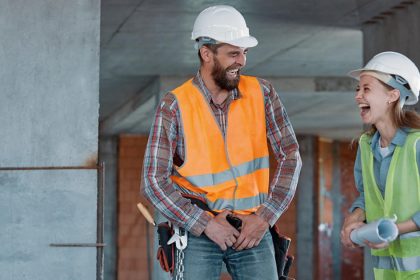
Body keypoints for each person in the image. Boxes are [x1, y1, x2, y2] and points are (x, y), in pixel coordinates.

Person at [141, 5, 301, 280]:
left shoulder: (263, 93)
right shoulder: (174, 105)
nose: (242, 61)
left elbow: (290, 155)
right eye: (233, 53)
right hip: (199, 230)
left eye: (244, 53)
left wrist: (265, 217)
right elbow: (153, 181)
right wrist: (203, 224)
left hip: (252, 226)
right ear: (206, 53)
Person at [341, 51, 420, 279]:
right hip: (388, 272)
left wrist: (396, 229)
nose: (358, 96)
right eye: (358, 89)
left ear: (392, 95)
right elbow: (369, 195)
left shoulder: (416, 144)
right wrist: (356, 215)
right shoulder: (366, 146)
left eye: (366, 89)